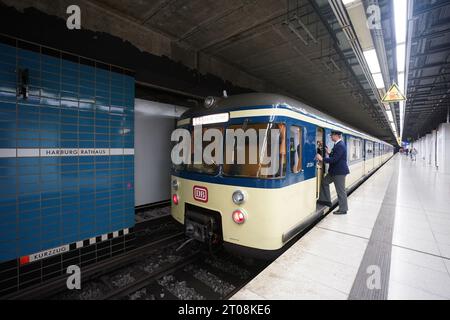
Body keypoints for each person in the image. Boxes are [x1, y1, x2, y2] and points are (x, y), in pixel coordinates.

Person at [316, 130, 350, 215]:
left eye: (332, 135)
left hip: (339, 172)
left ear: (337, 136)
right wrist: (328, 152)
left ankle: (343, 209)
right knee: (324, 182)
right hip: (334, 171)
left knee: (340, 191)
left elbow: (335, 159)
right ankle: (325, 200)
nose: (330, 137)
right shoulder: (337, 145)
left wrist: (322, 159)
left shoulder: (340, 145)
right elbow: (335, 156)